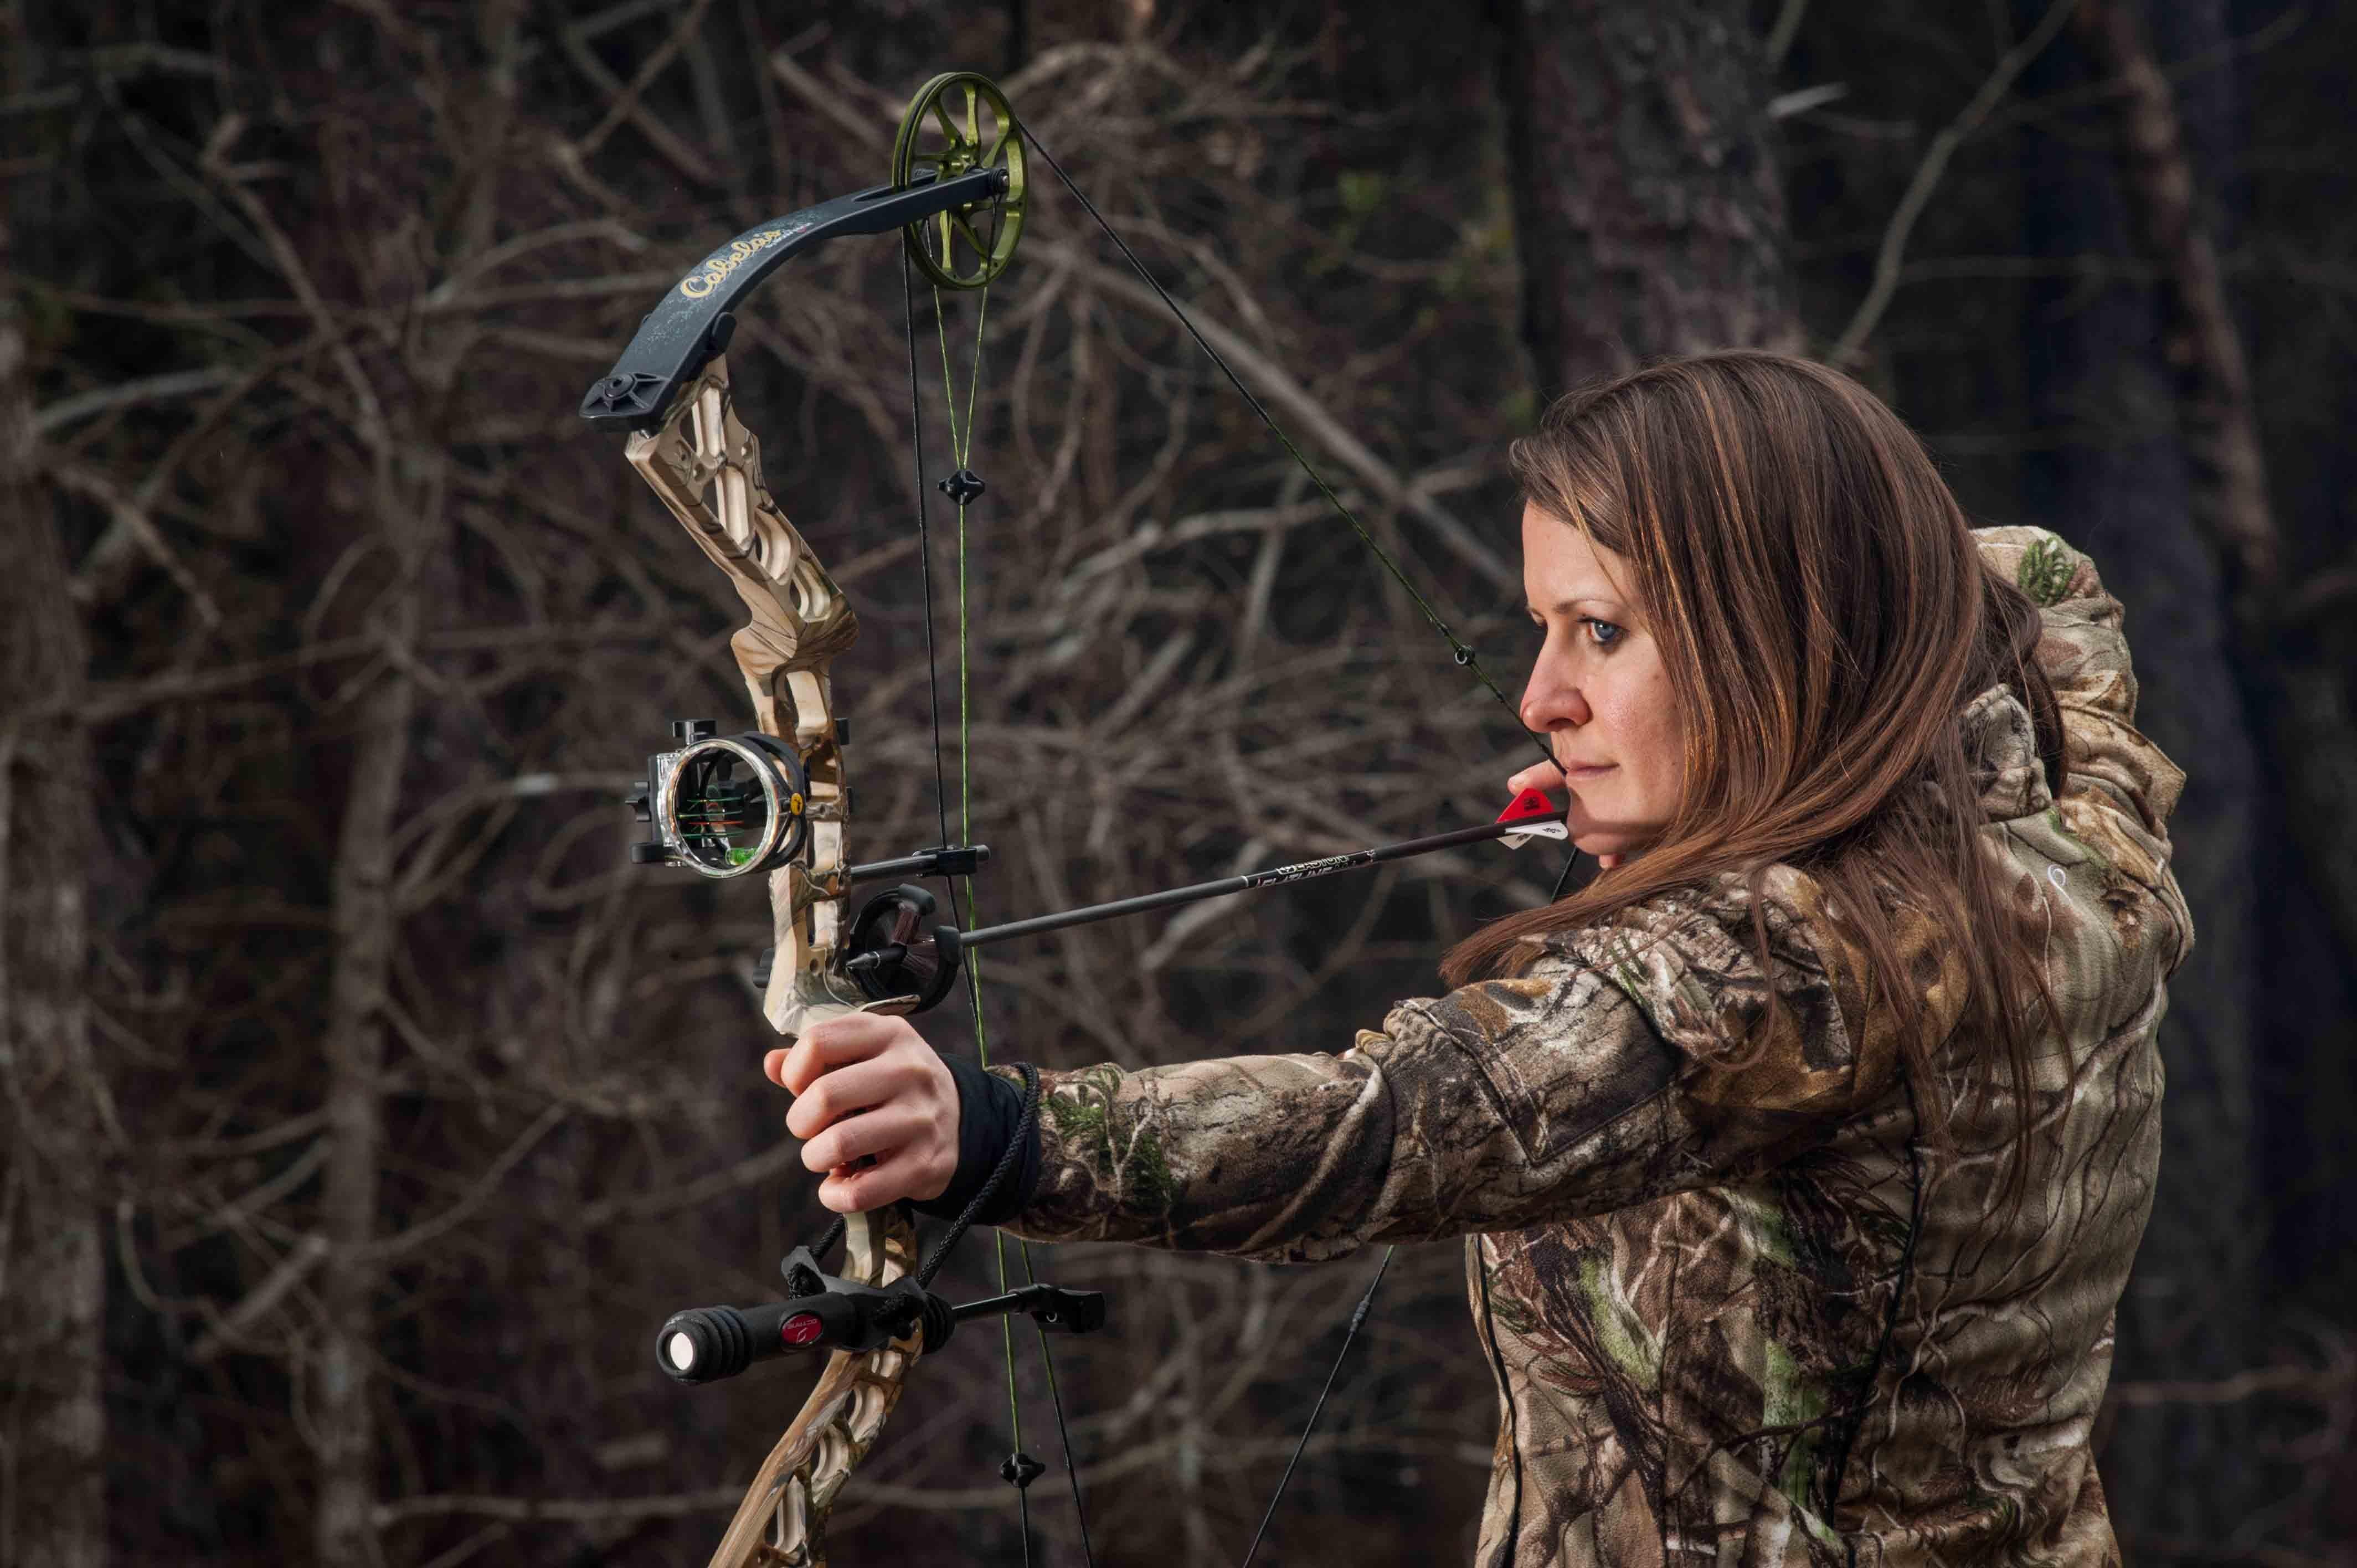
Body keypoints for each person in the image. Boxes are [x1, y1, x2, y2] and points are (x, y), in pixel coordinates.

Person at [765, 351, 2191, 1564]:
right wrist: (1707, 781)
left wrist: (994, 1133)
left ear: (1782, 630)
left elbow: (1380, 1129)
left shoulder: (1773, 967)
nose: (1541, 697)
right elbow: (2030, 575)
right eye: (1543, 627)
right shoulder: (2077, 822)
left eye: (1605, 631)